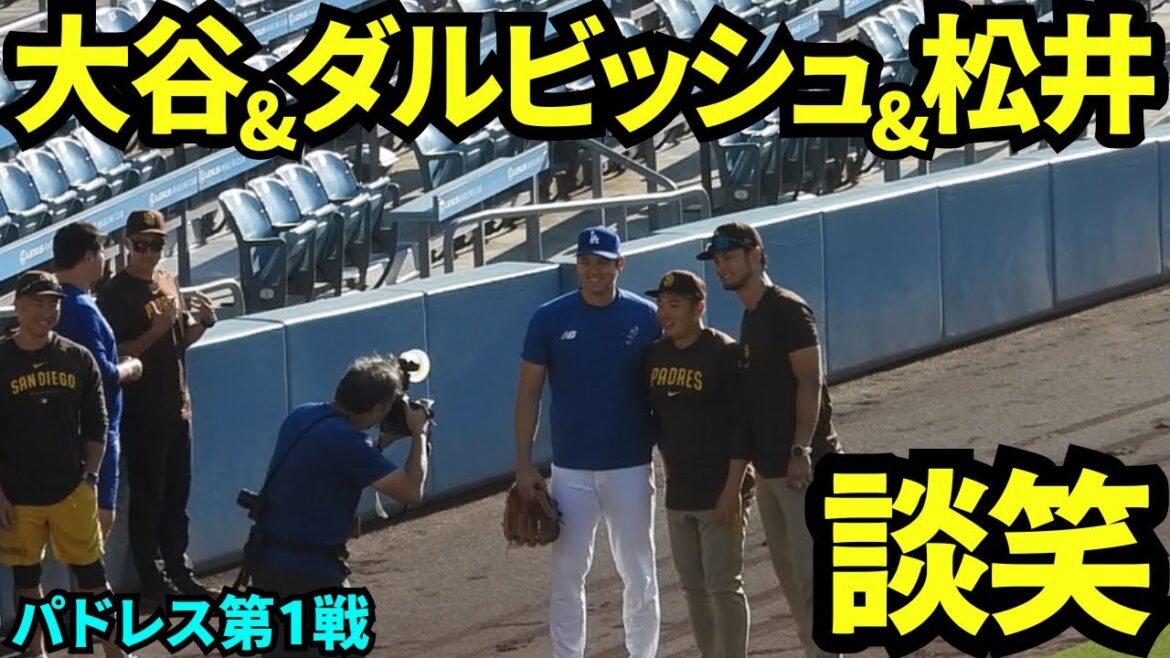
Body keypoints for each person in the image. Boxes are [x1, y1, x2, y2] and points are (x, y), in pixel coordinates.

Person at [513, 225, 663, 658]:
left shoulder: (646, 317)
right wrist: (524, 465)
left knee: (638, 571)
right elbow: (528, 393)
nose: (592, 270)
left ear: (620, 264)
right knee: (566, 573)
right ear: (577, 265)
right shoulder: (549, 317)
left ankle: (643, 654)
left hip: (630, 465)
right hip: (570, 469)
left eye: (601, 262)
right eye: (585, 262)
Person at [697, 222, 844, 658]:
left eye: (730, 257)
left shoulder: (786, 310)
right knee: (793, 582)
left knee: (813, 578)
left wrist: (801, 449)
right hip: (770, 471)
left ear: (756, 255)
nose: (722, 267)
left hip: (804, 466)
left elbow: (810, 380)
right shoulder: (752, 317)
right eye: (718, 261)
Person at [246, 354, 430, 657]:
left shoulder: (303, 415)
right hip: (310, 573)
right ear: (374, 409)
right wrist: (419, 434)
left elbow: (324, 468)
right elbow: (412, 491)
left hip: (267, 562)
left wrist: (380, 445)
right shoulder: (349, 445)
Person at [0, 271, 136, 658]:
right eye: (38, 302)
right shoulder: (1, 360)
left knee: (93, 575)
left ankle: (116, 651)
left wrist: (90, 477)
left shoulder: (77, 358)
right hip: (18, 493)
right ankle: (36, 652)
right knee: (26, 578)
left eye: (53, 303)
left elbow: (98, 424)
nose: (47, 311)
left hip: (70, 486)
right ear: (19, 306)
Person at [96, 209, 217, 603]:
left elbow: (178, 343)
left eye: (156, 244)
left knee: (177, 497)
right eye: (142, 244)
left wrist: (202, 323)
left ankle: (179, 571)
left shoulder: (168, 282)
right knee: (150, 499)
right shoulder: (114, 293)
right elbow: (117, 353)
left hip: (178, 405)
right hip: (142, 412)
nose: (149, 252)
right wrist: (155, 330)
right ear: (128, 245)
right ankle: (152, 580)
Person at [644, 269, 753, 658]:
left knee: (723, 585)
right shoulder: (655, 354)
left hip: (719, 486)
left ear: (699, 307)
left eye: (674, 305)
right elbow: (655, 419)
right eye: (661, 305)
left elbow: (743, 426)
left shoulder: (723, 353)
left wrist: (733, 489)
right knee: (692, 586)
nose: (665, 313)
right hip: (680, 488)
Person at [53, 221, 144, 540]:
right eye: (101, 251)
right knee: (92, 533)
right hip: (93, 435)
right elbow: (101, 374)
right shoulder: (78, 308)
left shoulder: (55, 302)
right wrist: (130, 367)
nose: (105, 257)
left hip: (67, 433)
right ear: (88, 257)